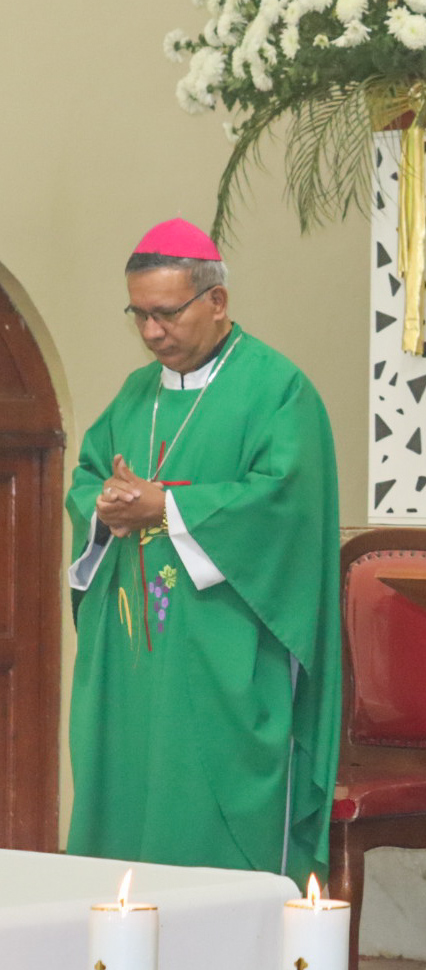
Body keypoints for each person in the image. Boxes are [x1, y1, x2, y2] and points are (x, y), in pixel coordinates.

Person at [65, 218, 341, 889]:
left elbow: (286, 504)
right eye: (139, 315)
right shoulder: (136, 394)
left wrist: (168, 507)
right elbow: (87, 477)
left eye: (166, 313)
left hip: (225, 662)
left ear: (217, 301)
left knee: (206, 843)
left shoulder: (278, 390)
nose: (152, 331)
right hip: (135, 664)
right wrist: (104, 507)